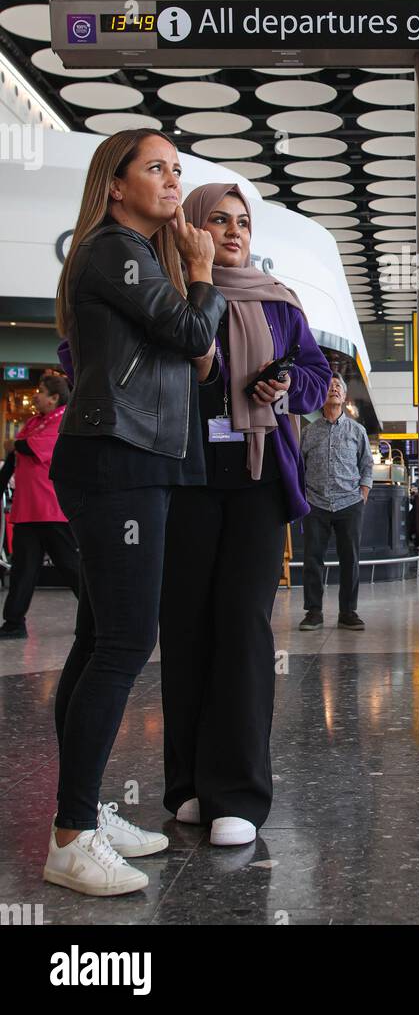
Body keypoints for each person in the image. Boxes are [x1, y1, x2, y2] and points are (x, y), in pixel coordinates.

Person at [44, 129, 226, 897]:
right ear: (115, 185)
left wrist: (188, 280)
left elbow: (194, 355)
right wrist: (203, 271)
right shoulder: (116, 248)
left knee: (97, 639)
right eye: (156, 168)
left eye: (178, 169)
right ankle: (70, 837)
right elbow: (191, 333)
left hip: (125, 457)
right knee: (124, 642)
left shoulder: (135, 256)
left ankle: (81, 812)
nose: (173, 180)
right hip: (116, 460)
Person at [159, 184, 332, 846]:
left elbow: (318, 376)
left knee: (243, 628)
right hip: (183, 481)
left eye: (242, 222)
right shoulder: (170, 290)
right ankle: (190, 784)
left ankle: (239, 791)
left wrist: (284, 386)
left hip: (259, 483)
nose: (233, 232)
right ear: (194, 228)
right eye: (219, 220)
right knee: (186, 628)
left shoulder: (278, 301)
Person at [0, 375, 79, 638]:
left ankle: (101, 616)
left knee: (71, 566)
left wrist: (14, 445)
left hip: (51, 509)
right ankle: (13, 623)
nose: (35, 395)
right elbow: (13, 453)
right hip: (27, 510)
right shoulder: (34, 421)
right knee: (23, 569)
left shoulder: (63, 419)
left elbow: (30, 447)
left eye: (40, 391)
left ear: (54, 398)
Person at [299, 375, 373, 631]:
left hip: (349, 503)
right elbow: (299, 467)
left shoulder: (357, 430)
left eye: (338, 386)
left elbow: (366, 464)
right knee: (312, 559)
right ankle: (313, 612)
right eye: (329, 386)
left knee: (350, 558)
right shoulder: (308, 432)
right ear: (322, 395)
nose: (334, 389)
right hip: (315, 503)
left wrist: (363, 492)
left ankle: (348, 611)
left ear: (344, 396)